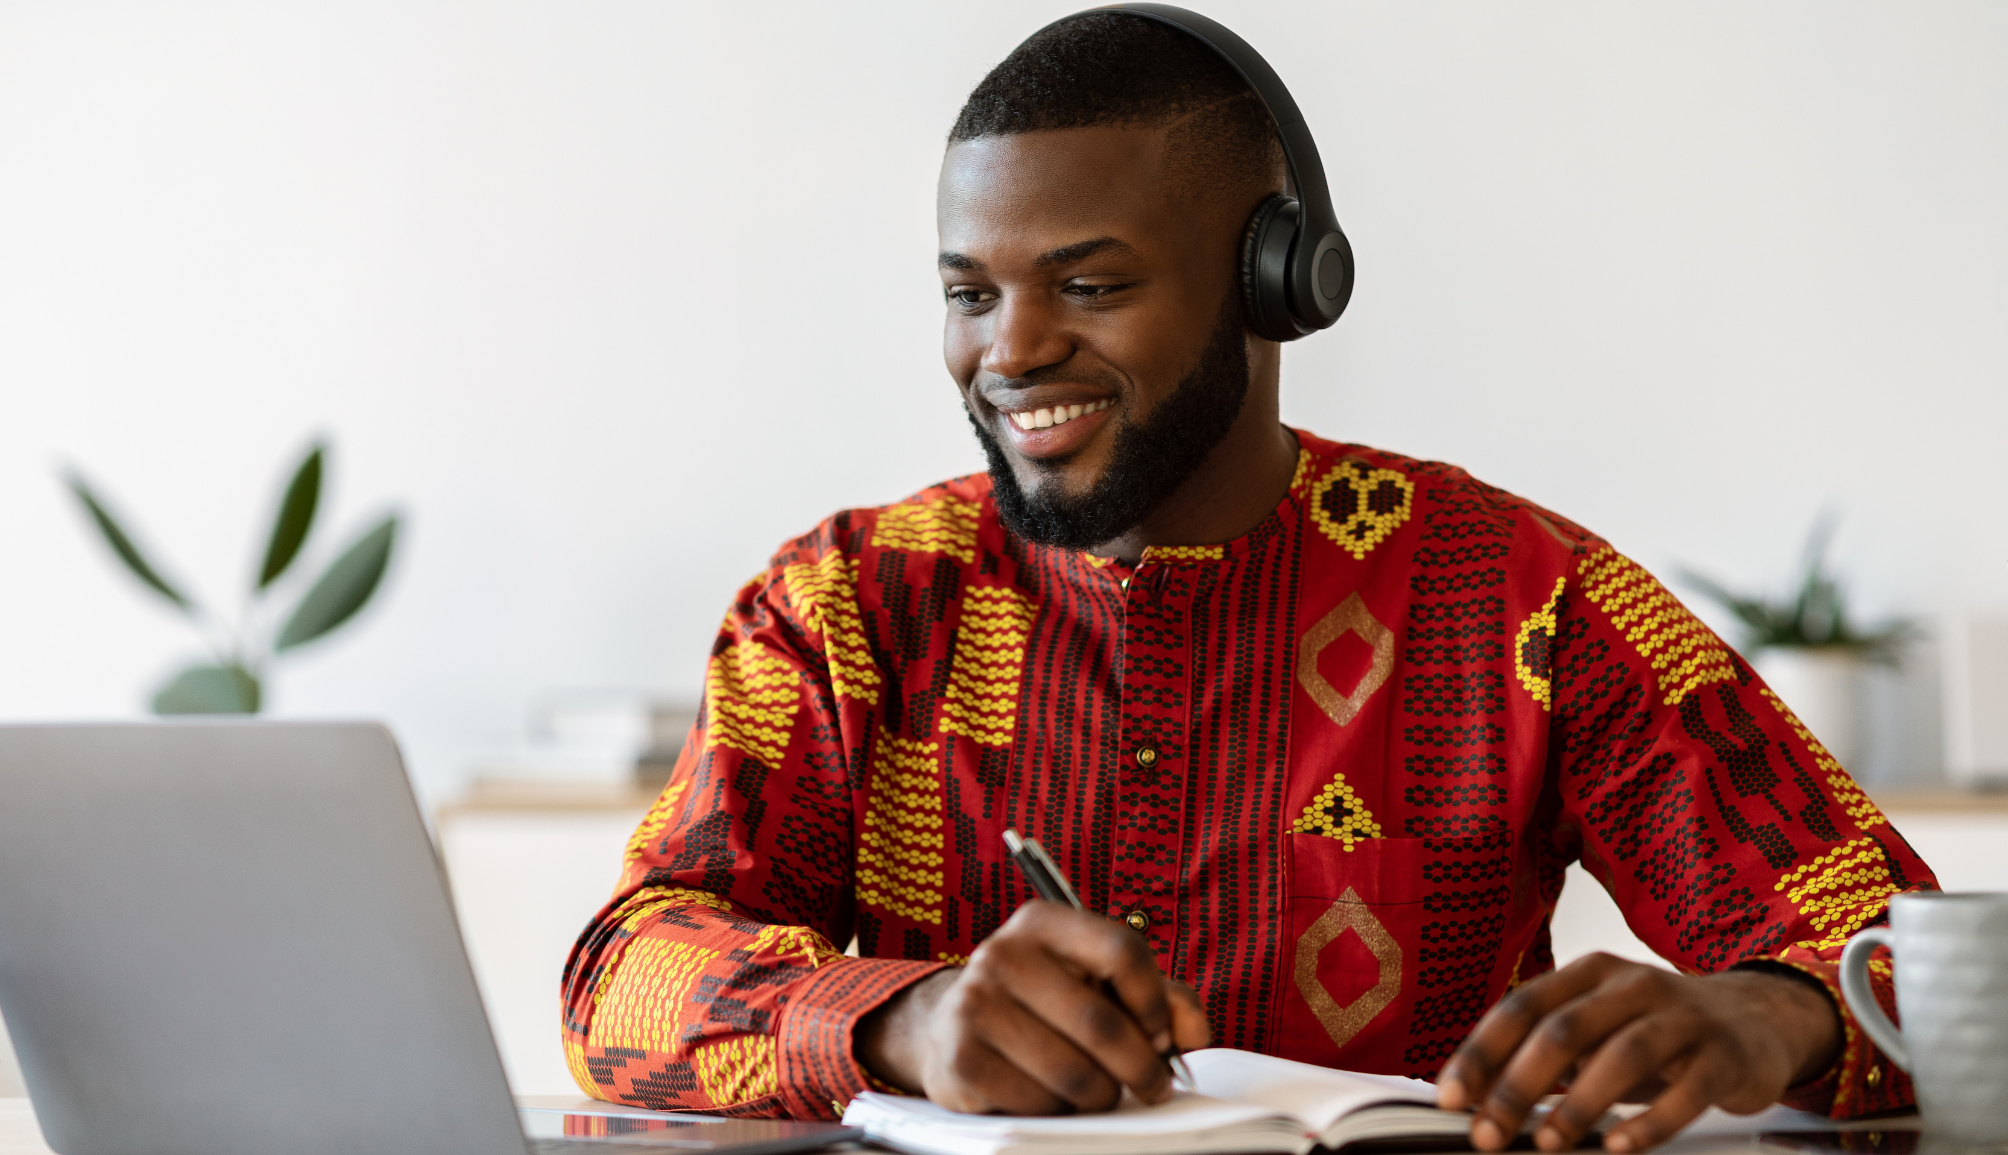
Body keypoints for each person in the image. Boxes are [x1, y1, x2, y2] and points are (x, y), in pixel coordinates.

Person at [560, 12, 1932, 1152]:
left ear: (1275, 283)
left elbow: (1905, 959)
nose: (1012, 349)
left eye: (1088, 285)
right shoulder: (845, 603)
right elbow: (622, 978)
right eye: (971, 294)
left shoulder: (1522, 595)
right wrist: (901, 1021)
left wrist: (1766, 1017)